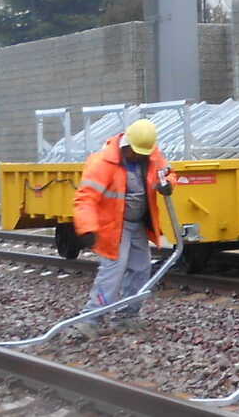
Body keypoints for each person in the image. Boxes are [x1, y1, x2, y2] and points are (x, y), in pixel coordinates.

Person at [69, 119, 175, 337]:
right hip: (115, 226)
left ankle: (127, 315)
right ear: (126, 144)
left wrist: (168, 183)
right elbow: (85, 199)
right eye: (136, 152)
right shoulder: (102, 163)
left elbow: (167, 173)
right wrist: (87, 228)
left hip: (138, 225)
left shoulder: (151, 155)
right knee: (112, 273)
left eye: (144, 153)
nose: (140, 157)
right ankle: (90, 320)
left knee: (141, 269)